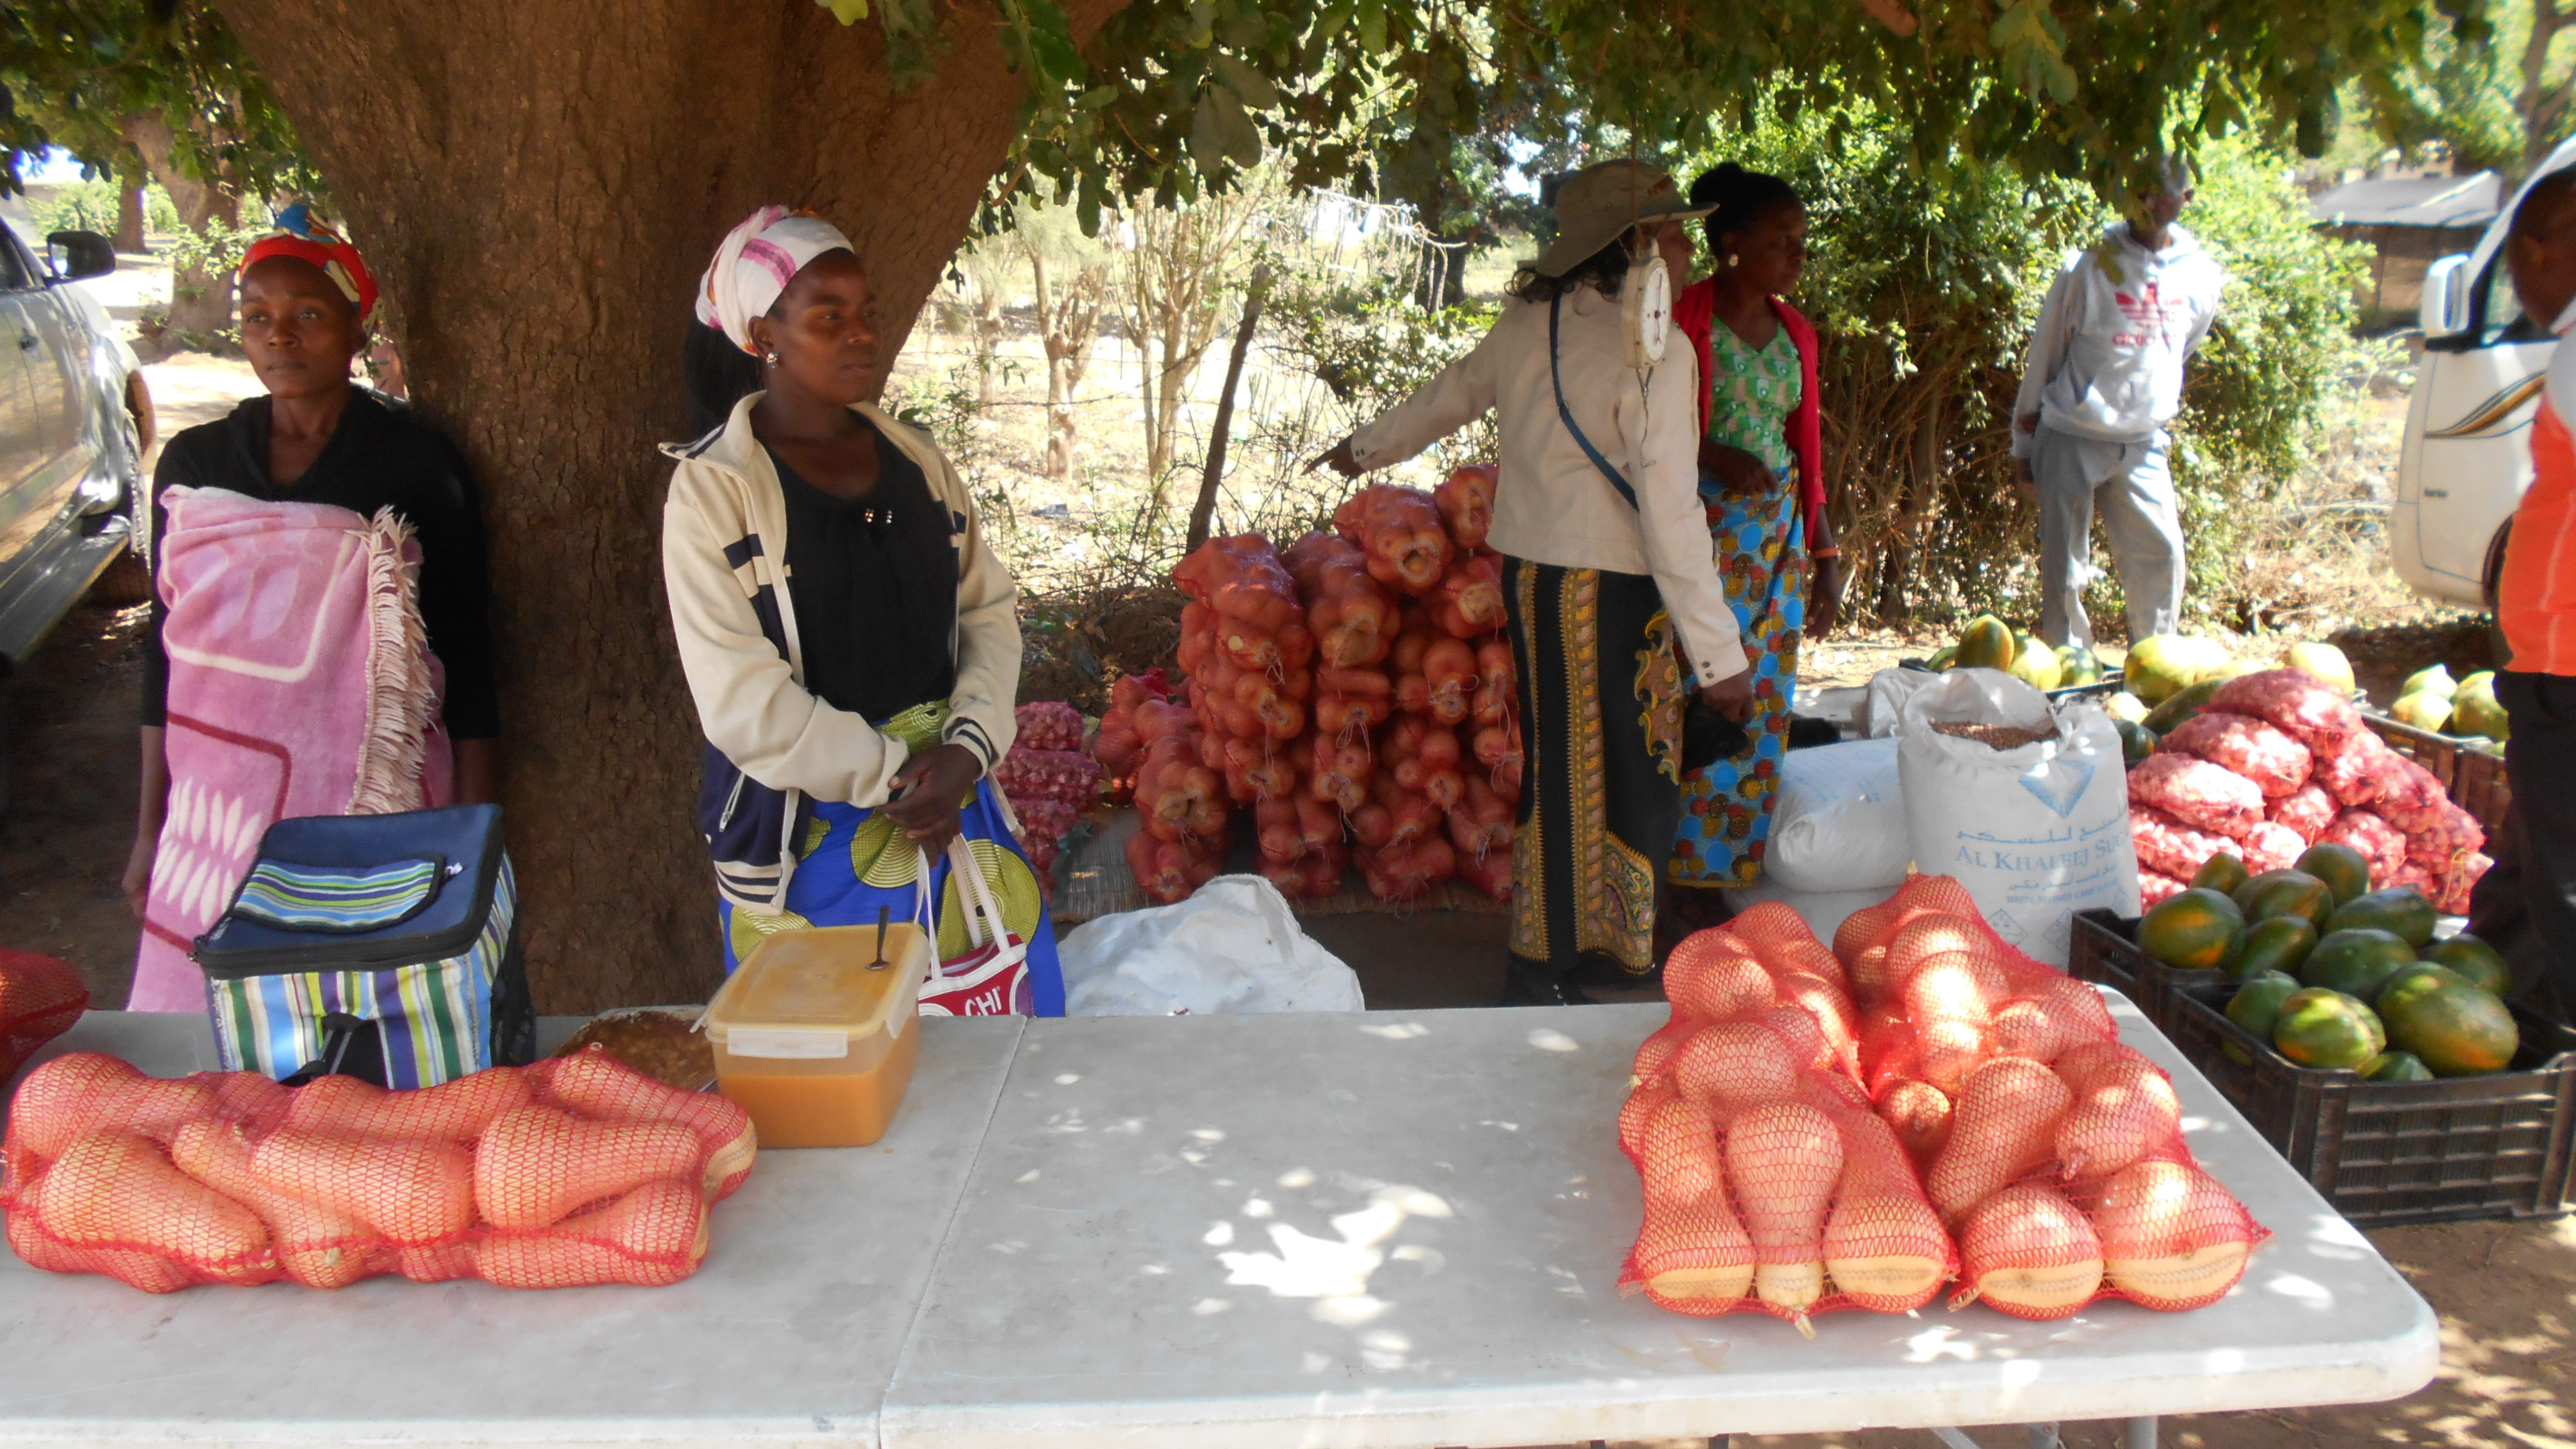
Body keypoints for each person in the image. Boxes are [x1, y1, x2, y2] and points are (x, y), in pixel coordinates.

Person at [1315, 162, 1755, 1006]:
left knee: (1558, 758)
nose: (1686, 245)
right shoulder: (1654, 353)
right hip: (1618, 585)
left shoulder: (1530, 317)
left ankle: (1545, 951)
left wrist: (1366, 447)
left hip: (1530, 576)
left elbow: (1452, 395)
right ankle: (1597, 957)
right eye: (1669, 229)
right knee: (1634, 768)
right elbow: (1669, 512)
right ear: (1631, 243)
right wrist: (1719, 653)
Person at [662, 205, 1062, 1013]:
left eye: (867, 314)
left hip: (953, 800)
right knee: (842, 1074)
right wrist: (893, 778)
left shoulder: (916, 463)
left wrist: (966, 752)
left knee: (1002, 1044)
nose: (860, 335)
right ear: (763, 335)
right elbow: (742, 701)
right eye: (828, 317)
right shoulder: (717, 492)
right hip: (813, 831)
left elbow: (988, 612)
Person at [122, 205, 499, 1010]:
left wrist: (470, 841)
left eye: (307, 316)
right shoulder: (196, 464)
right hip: (213, 818)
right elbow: (168, 653)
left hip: (368, 817)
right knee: (211, 1025)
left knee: (358, 1021)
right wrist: (151, 825)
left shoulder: (415, 466)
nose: (279, 337)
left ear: (356, 329)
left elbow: (467, 658)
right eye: (256, 317)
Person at [1665, 163, 1839, 897]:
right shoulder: (1683, 320)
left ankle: (1723, 872)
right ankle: (1666, 875)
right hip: (1697, 544)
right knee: (1694, 696)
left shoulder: (1796, 332)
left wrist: (1826, 554)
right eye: (1782, 242)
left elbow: (1808, 453)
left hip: (1776, 554)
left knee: (1761, 703)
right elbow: (1642, 435)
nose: (1799, 255)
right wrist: (1711, 453)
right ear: (1732, 243)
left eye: (1802, 241)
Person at [2010, 156, 2225, 650]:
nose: (2148, 203)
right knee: (2065, 571)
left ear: (2185, 201)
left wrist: (2144, 394)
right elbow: (2046, 351)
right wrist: (2022, 444)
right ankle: (2067, 675)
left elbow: (2180, 345)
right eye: (2139, 190)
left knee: (2161, 553)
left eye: (2162, 193)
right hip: (2071, 431)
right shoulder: (2088, 265)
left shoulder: (2199, 274)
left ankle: (2154, 667)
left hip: (2143, 440)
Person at [2468, 169, 2576, 1016]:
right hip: (2549, 665)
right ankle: (2507, 1019)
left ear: (2539, 251)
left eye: (2516, 270)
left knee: (2563, 889)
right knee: (2535, 862)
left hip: (2567, 668)